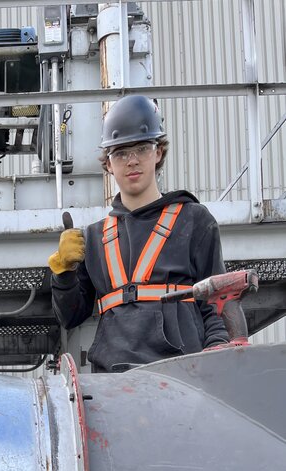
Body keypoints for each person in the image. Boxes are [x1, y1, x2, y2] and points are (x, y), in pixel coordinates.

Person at [48, 94, 229, 372]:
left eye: (142, 149)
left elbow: (215, 304)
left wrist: (217, 359)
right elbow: (70, 316)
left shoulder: (193, 220)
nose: (132, 161)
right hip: (113, 381)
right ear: (108, 163)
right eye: (120, 152)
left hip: (182, 374)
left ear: (158, 153)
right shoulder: (95, 239)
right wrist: (63, 273)